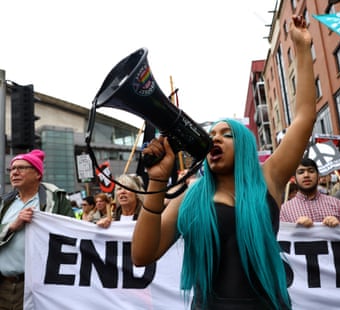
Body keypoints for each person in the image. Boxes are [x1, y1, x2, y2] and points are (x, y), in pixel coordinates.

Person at [132, 15, 315, 310]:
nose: (214, 139)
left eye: (226, 134)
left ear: (242, 145)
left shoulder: (268, 180)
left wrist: (303, 48)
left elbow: (305, 116)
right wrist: (156, 180)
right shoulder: (190, 198)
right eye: (211, 135)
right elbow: (141, 255)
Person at [0, 149, 74, 309]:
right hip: (3, 285)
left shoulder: (55, 201)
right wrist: (13, 225)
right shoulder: (4, 204)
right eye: (12, 169)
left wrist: (100, 227)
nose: (14, 172)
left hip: (36, 286)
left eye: (21, 168)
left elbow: (73, 233)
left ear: (37, 174)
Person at [280, 158, 340, 227]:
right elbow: (280, 238)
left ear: (318, 177)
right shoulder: (284, 210)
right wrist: (295, 229)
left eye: (311, 171)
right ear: (295, 179)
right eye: (301, 172)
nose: (306, 175)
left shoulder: (338, 205)